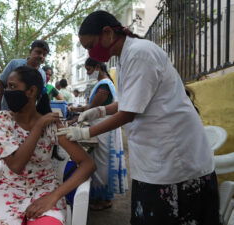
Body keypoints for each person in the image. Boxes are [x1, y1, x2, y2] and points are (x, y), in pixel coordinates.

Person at [57, 10, 219, 225]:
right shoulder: (125, 58)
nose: (90, 52)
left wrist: (84, 131)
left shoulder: (139, 53)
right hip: (155, 154)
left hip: (175, 154)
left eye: (89, 45)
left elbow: (129, 113)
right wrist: (100, 111)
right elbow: (128, 102)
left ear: (107, 33)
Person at [0, 66, 95, 225]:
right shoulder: (1, 121)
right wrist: (38, 126)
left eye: (12, 86)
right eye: (7, 86)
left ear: (31, 91)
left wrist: (54, 196)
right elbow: (17, 165)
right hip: (9, 190)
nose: (7, 91)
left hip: (45, 189)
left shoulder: (52, 125)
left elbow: (88, 164)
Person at [70, 57, 127, 210]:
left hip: (104, 130)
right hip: (101, 127)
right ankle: (101, 198)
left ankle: (104, 200)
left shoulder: (104, 85)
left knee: (102, 165)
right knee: (102, 162)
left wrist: (76, 112)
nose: (88, 73)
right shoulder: (104, 83)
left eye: (89, 70)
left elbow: (92, 106)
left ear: (98, 68)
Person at [0, 40, 49, 111]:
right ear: (30, 51)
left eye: (44, 54)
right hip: (7, 112)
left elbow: (39, 96)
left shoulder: (43, 74)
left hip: (26, 116)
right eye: (38, 52)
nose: (41, 56)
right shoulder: (14, 64)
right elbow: (1, 86)